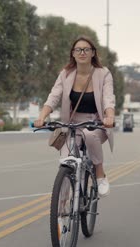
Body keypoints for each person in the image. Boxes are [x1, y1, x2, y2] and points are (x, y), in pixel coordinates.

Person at [33, 36, 115, 197]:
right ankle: (61, 214)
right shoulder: (66, 74)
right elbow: (54, 97)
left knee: (89, 134)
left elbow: (108, 98)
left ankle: (100, 173)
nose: (82, 52)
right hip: (71, 124)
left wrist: (109, 117)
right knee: (66, 164)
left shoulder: (103, 73)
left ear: (93, 53)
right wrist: (41, 117)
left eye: (86, 49)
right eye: (78, 49)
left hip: (96, 123)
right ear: (73, 53)